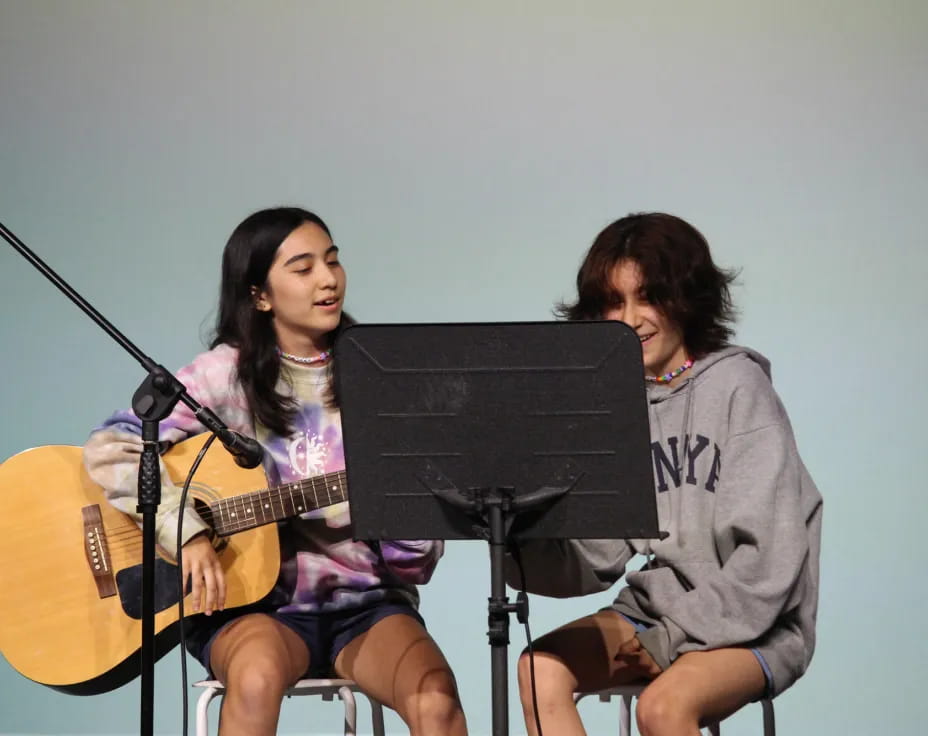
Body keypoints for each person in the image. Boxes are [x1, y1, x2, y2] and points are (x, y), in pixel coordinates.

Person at [83, 207, 467, 736]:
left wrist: (410, 517)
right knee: (258, 676)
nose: (328, 279)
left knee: (436, 698)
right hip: (251, 609)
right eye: (303, 268)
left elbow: (413, 566)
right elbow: (113, 447)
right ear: (260, 295)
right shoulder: (225, 376)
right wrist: (187, 532)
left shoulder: (381, 378)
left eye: (332, 261)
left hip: (365, 607)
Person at [508, 212, 822, 736]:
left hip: (758, 626)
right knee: (539, 669)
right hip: (658, 616)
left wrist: (672, 633)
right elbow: (598, 557)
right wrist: (515, 533)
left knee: (661, 708)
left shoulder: (740, 388)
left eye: (647, 296)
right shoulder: (615, 407)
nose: (630, 319)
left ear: (686, 298)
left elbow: (769, 565)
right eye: (614, 302)